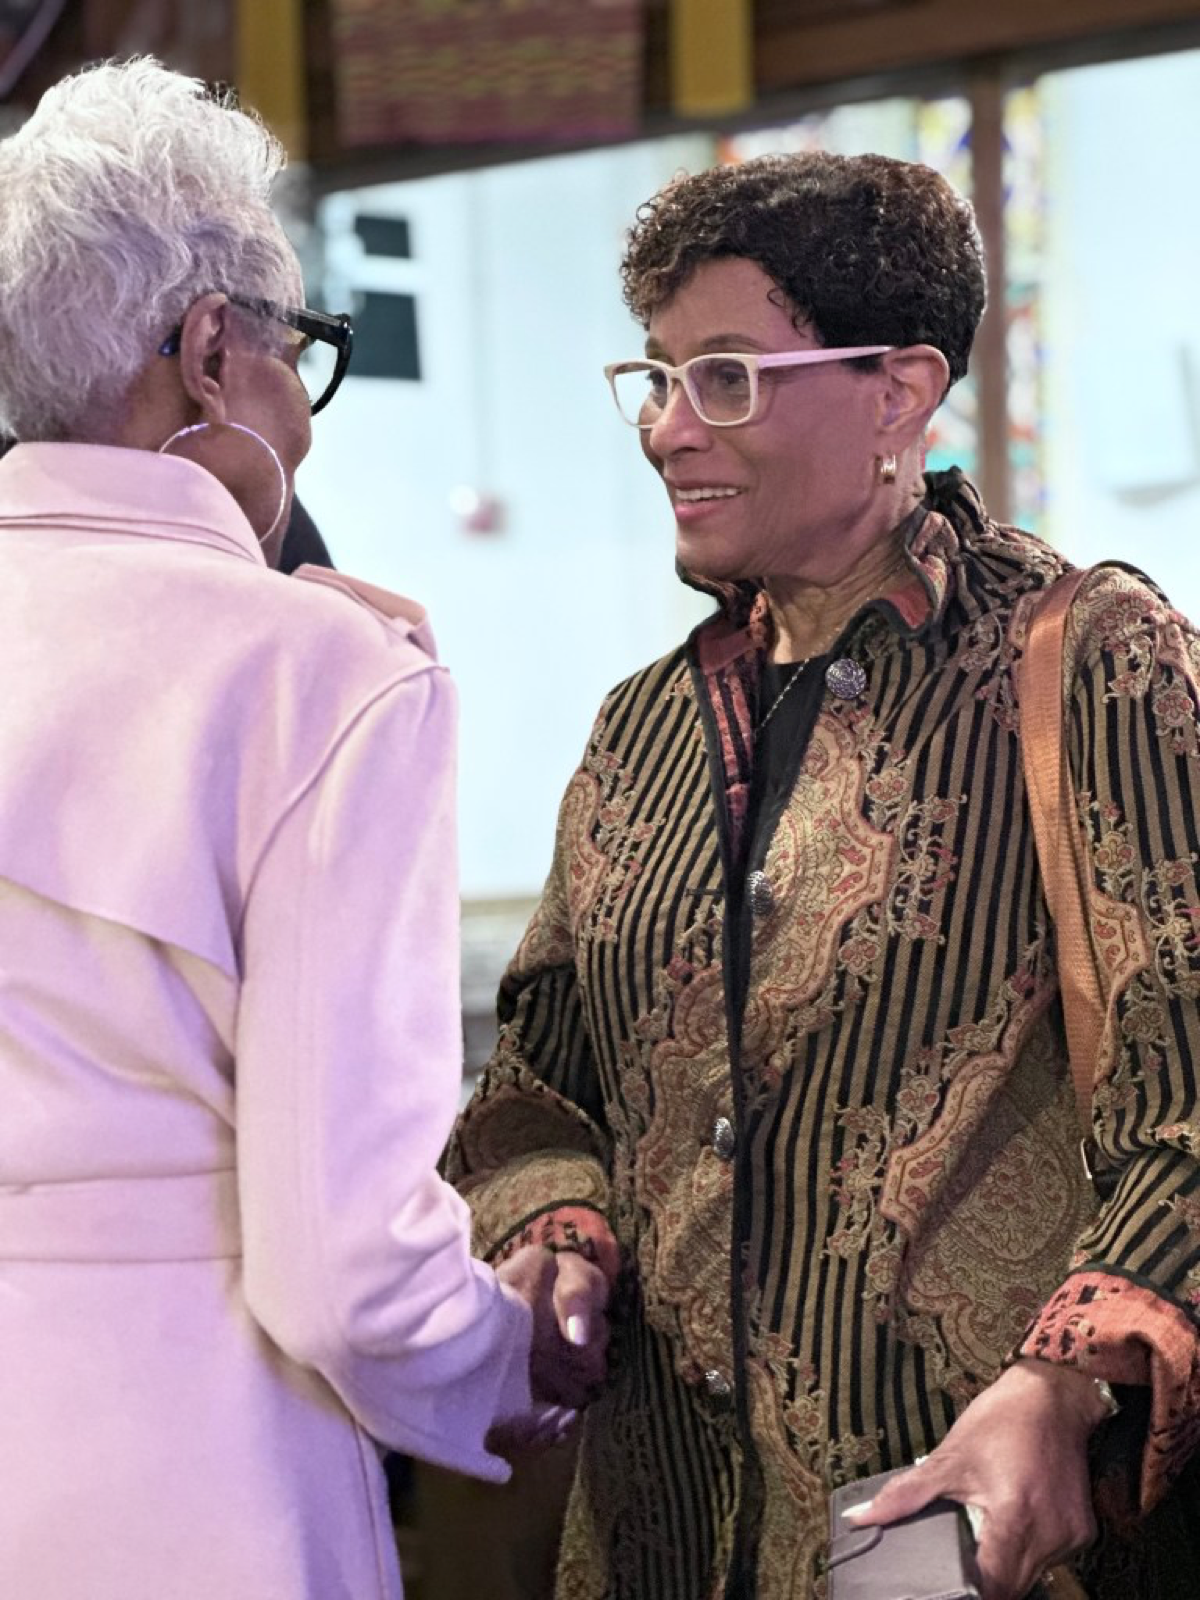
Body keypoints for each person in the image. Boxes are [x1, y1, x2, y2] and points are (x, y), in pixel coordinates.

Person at [446, 150, 1200, 1600]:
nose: (668, 428)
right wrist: (557, 1235)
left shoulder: (1081, 660)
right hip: (660, 1533)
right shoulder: (642, 729)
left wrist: (1064, 1383)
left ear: (900, 393)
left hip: (957, 1540)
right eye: (656, 376)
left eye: (725, 377)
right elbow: (541, 1083)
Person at [0, 57, 605, 1600]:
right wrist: (511, 1359)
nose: (306, 422)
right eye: (301, 355)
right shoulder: (319, 675)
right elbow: (347, 1274)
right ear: (213, 351)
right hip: (189, 1479)